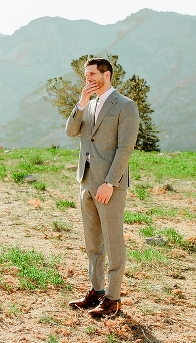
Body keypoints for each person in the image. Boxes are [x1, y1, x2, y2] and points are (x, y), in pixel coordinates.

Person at [65, 57, 140, 317]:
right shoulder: (88, 104)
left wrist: (110, 183)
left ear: (106, 75)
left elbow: (125, 148)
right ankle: (96, 292)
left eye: (93, 74)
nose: (88, 79)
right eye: (86, 75)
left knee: (113, 241)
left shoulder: (126, 106)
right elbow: (70, 131)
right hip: (86, 182)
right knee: (93, 243)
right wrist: (81, 103)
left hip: (110, 185)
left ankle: (113, 299)